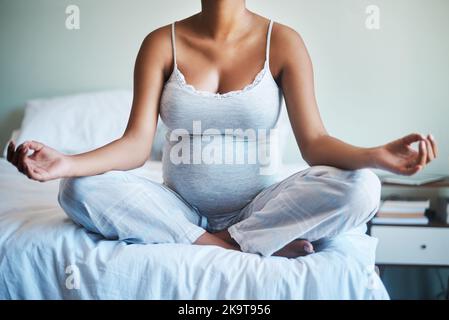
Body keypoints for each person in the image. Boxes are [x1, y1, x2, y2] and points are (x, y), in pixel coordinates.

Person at [7, 0, 438, 258]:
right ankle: (238, 245)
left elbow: (315, 143)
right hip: (176, 208)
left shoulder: (283, 41)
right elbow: (135, 146)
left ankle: (244, 234)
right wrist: (67, 162)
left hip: (262, 206)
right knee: (78, 190)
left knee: (363, 188)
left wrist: (376, 156)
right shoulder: (161, 42)